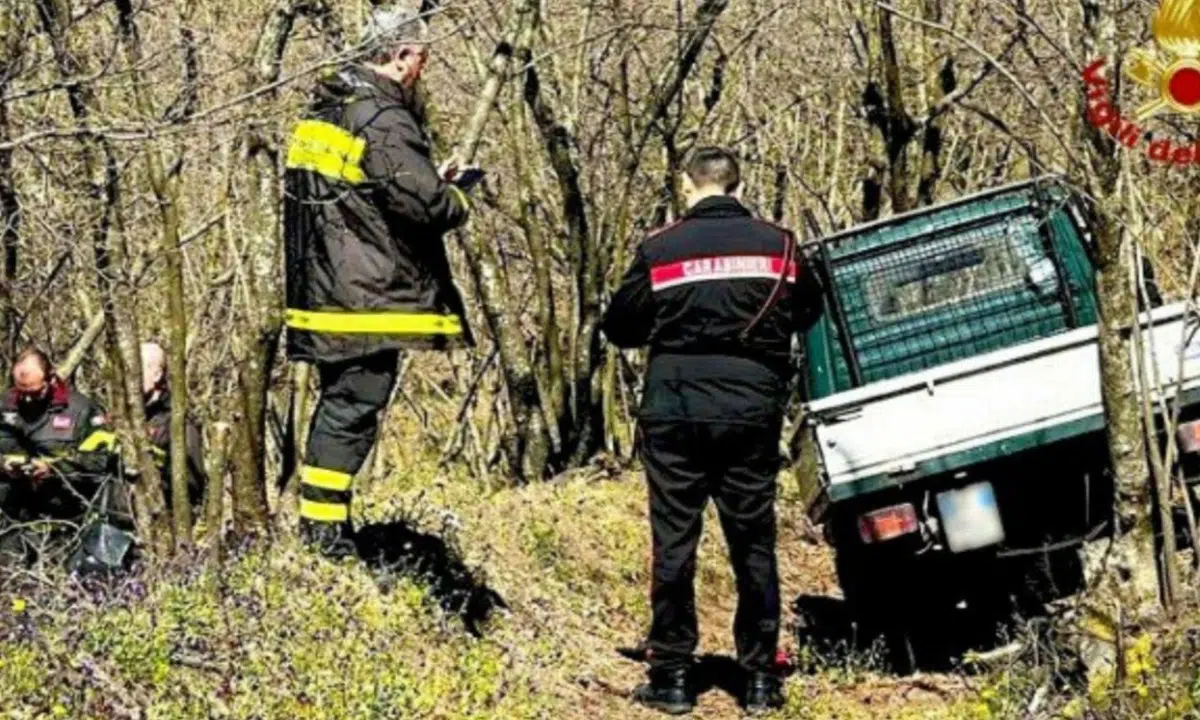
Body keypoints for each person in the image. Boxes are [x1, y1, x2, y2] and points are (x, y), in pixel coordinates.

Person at [600, 147, 825, 715]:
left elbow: (620, 326)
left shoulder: (660, 247)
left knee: (674, 539)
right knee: (752, 542)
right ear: (738, 185)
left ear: (687, 184)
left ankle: (672, 674)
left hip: (674, 404)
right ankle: (760, 680)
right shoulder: (780, 245)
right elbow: (809, 309)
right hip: (751, 406)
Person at [283, 4, 477, 555]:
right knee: (353, 409)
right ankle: (323, 537)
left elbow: (364, 195)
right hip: (368, 295)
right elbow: (423, 206)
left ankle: (325, 528)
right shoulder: (380, 116)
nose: (423, 70)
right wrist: (457, 196)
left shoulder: (330, 111)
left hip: (328, 289)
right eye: (420, 59)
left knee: (339, 407)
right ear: (399, 56)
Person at [0, 347, 119, 568]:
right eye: (21, 391)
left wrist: (54, 469)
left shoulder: (82, 410)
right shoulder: (4, 407)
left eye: (34, 393)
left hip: (65, 526)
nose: (26, 399)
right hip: (12, 526)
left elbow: (100, 464)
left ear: (51, 379)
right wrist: (5, 466)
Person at [139, 341, 206, 513]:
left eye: (139, 369)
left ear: (157, 374)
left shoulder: (177, 423)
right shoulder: (122, 419)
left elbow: (190, 487)